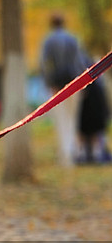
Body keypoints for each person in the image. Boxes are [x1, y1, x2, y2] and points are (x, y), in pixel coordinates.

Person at [39, 14, 84, 167]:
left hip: (57, 86)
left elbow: (45, 64)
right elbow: (79, 61)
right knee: (73, 119)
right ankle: (73, 152)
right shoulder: (73, 39)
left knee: (61, 120)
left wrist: (49, 83)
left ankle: (65, 155)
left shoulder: (48, 41)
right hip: (74, 84)